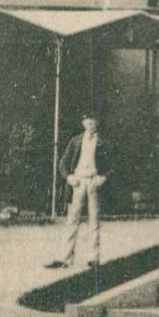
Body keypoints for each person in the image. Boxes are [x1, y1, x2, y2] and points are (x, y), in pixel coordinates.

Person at [45, 113, 109, 269]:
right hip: (78, 182)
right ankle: (64, 258)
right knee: (72, 220)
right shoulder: (76, 141)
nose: (90, 124)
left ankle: (93, 258)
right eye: (88, 121)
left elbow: (112, 166)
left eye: (93, 121)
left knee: (94, 220)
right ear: (83, 123)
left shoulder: (103, 143)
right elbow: (63, 163)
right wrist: (69, 177)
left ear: (97, 123)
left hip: (93, 181)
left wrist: (103, 178)